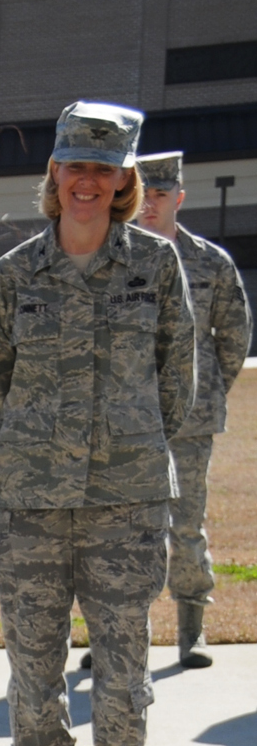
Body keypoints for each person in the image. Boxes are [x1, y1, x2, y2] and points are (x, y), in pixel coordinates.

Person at [0, 103, 194, 746]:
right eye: (76, 165)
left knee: (122, 665)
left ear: (124, 181)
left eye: (104, 169)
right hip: (31, 505)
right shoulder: (13, 275)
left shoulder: (156, 268)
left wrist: (136, 454)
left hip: (125, 503)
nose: (87, 181)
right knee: (33, 665)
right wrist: (23, 460)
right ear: (56, 175)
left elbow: (180, 379)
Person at [136, 151, 252, 668]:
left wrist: (204, 391)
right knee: (124, 532)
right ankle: (121, 635)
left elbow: (233, 338)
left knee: (186, 523)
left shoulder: (210, 262)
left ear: (179, 198)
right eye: (143, 195)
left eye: (160, 195)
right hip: (126, 419)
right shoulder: (111, 259)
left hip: (188, 421)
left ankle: (191, 631)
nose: (150, 206)